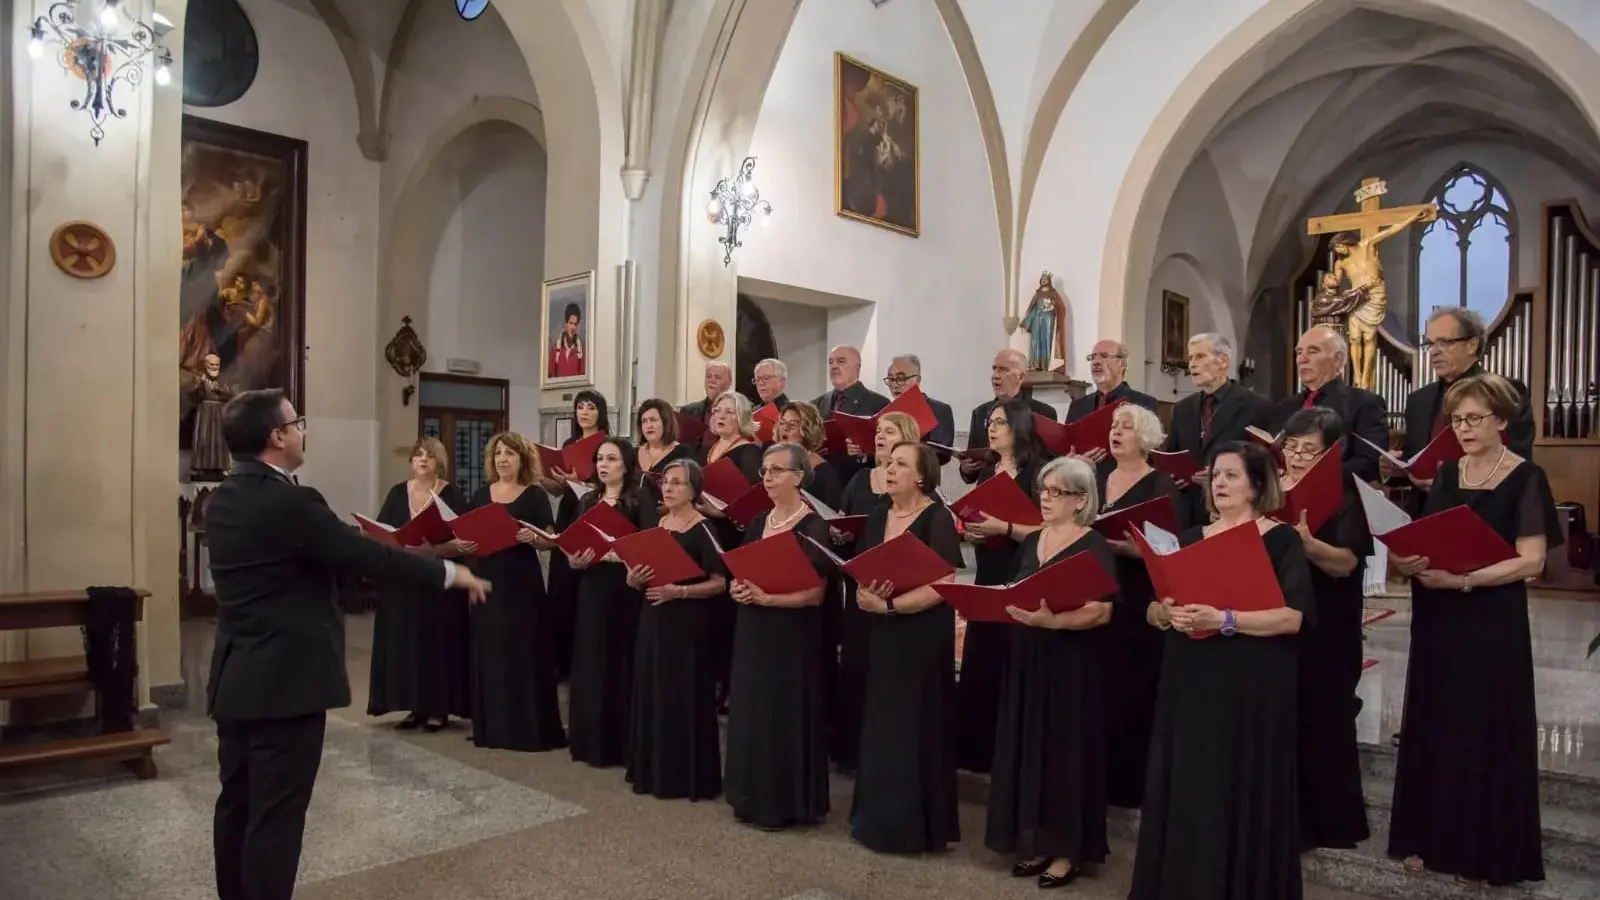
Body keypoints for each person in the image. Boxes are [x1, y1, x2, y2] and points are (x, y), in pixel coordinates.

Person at [206, 389, 490, 900]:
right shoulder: (292, 502)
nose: (301, 431)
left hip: (236, 677)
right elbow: (367, 557)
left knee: (237, 805)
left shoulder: (222, 498)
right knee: (275, 817)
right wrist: (449, 573)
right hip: (287, 684)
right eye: (297, 423)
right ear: (277, 436)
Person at [1388, 373, 1561, 886]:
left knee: (1483, 725)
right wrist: (1408, 559)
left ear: (1502, 421)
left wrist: (1464, 579)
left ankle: (1484, 850)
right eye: (1455, 420)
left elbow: (1531, 563)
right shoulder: (1445, 475)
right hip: (1439, 615)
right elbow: (1427, 537)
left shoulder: (1527, 477)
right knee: (1437, 720)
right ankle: (1431, 838)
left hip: (1491, 619)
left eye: (1473, 419)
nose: (1462, 428)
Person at [1129, 442, 1313, 900]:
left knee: (1236, 783)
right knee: (1190, 780)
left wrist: (1225, 619)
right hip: (1190, 677)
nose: (1220, 484)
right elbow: (1154, 607)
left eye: (1231, 475)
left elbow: (1293, 618)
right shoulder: (1190, 538)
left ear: (1256, 485)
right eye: (1215, 476)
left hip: (1250, 680)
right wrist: (1164, 614)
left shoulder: (1281, 539)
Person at [986, 456, 1118, 889]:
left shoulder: (1092, 544)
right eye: (1043, 490)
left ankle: (1067, 851)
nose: (1045, 498)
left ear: (1081, 500)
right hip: (1028, 656)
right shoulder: (1033, 541)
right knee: (1030, 746)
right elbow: (1017, 589)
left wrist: (1054, 622)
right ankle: (1035, 840)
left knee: (1065, 752)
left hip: (1071, 664)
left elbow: (1100, 611)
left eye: (1056, 492)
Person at [849, 442, 964, 854]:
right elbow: (863, 565)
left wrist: (892, 605)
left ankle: (915, 827)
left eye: (900, 463)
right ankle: (876, 818)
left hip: (919, 635)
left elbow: (945, 583)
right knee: (883, 724)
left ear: (921, 475)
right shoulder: (879, 515)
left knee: (916, 725)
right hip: (882, 631)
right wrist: (867, 594)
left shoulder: (936, 518)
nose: (890, 468)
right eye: (888, 462)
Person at [724, 442, 834, 830]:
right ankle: (751, 795)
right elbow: (740, 569)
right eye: (765, 471)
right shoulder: (759, 522)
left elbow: (817, 593)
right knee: (754, 711)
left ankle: (784, 803)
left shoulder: (813, 526)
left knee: (783, 713)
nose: (767, 477)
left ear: (799, 477)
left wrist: (770, 597)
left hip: (791, 634)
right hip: (755, 628)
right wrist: (738, 589)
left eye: (776, 471)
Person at [1277, 407, 1372, 849]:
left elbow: (1347, 563)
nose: (1296, 457)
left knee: (1324, 717)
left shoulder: (1346, 492)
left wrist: (1308, 545)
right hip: (1283, 615)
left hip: (1328, 619)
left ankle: (1325, 823)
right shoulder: (1272, 488)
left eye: (1308, 449)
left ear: (1332, 451)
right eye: (1291, 447)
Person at [955, 398, 1050, 774]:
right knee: (983, 654)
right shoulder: (989, 470)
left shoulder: (1037, 472)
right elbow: (985, 519)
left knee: (1011, 655)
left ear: (1019, 428)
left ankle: (1009, 749)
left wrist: (1005, 528)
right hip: (990, 565)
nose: (991, 429)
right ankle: (977, 750)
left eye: (1000, 423)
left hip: (1021, 567)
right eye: (990, 422)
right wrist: (974, 529)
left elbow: (1048, 529)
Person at [625, 459, 728, 800]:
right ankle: (653, 768)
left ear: (694, 491)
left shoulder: (704, 530)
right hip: (652, 617)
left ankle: (684, 776)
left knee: (682, 694)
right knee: (653, 689)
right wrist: (633, 578)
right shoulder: (659, 524)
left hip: (687, 624)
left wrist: (679, 591)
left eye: (677, 483)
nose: (668, 488)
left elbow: (719, 583)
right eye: (665, 482)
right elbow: (641, 572)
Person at [1095, 403, 1178, 809]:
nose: (1116, 432)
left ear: (1144, 437)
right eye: (1113, 426)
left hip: (1139, 593)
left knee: (1133, 688)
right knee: (1099, 687)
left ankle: (1131, 786)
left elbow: (1171, 549)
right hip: (1097, 587)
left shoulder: (1160, 484)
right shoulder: (1095, 477)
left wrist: (1136, 549)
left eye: (1125, 427)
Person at [463, 432, 568, 752]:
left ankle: (527, 728)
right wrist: (465, 548)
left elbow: (552, 539)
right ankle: (492, 726)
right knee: (491, 651)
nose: (503, 459)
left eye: (509, 453)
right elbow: (469, 535)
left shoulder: (534, 495)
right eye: (498, 454)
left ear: (522, 459)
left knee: (523, 651)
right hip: (487, 579)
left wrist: (532, 538)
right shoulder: (481, 494)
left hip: (522, 582)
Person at [366, 437, 471, 733]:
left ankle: (439, 708)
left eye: (430, 456)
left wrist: (434, 549)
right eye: (418, 455)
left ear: (440, 462)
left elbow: (464, 543)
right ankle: (414, 705)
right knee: (407, 641)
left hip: (439, 580)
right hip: (404, 579)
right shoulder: (398, 492)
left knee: (437, 643)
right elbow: (383, 530)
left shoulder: (451, 494)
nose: (423, 460)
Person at [565, 437, 655, 767]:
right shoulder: (588, 499)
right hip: (592, 585)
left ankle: (621, 742)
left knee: (620, 658)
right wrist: (575, 559)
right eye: (600, 459)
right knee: (591, 658)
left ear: (626, 464)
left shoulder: (640, 499)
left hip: (624, 587)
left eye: (612, 459)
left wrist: (619, 554)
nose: (604, 465)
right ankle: (590, 740)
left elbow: (649, 544)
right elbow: (573, 544)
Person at [1162, 333, 1274, 526]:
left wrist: (1219, 472)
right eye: (1190, 358)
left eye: (1200, 356)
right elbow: (1173, 453)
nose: (1192, 364)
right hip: (1188, 510)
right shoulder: (1182, 408)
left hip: (1234, 511)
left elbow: (1264, 462)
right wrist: (1174, 477)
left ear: (1223, 361)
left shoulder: (1256, 406)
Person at [1269, 325, 1388, 482]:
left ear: (1337, 359)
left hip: (1338, 499)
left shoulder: (1363, 403)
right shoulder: (1285, 407)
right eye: (1299, 352)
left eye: (1312, 351)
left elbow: (1369, 463)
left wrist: (1314, 478)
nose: (1302, 359)